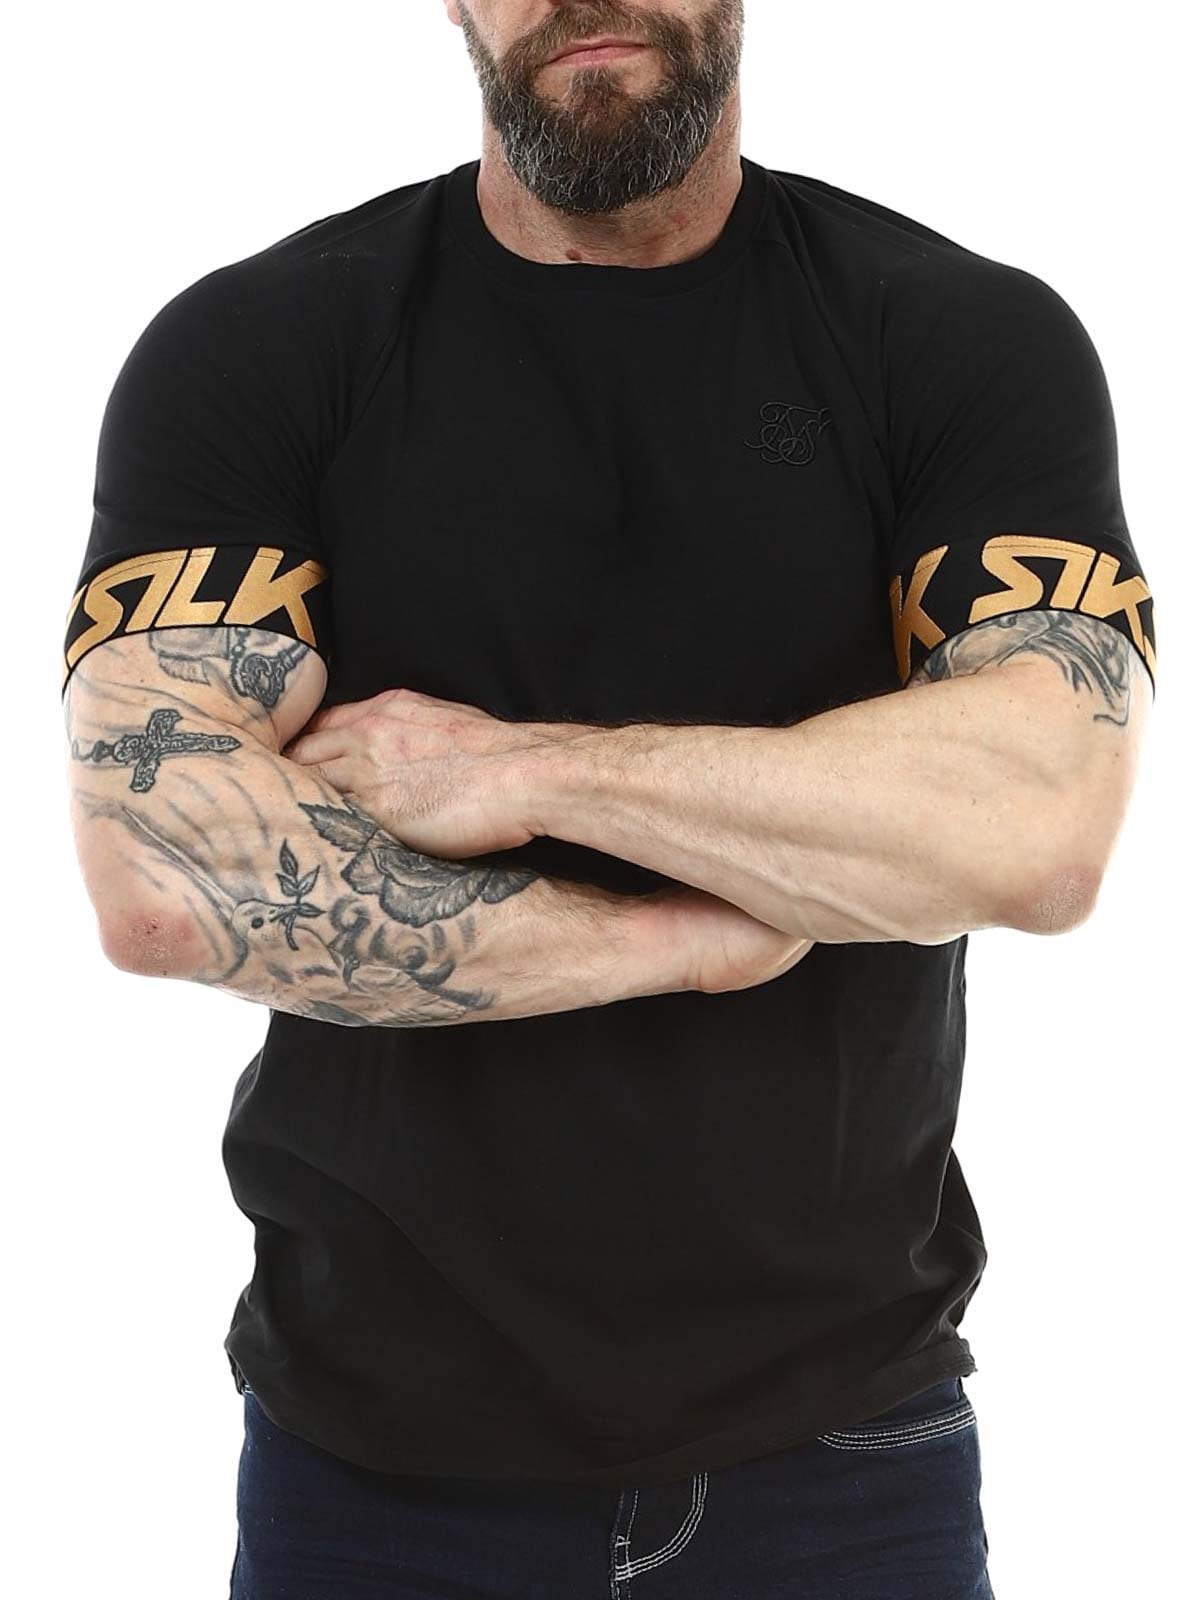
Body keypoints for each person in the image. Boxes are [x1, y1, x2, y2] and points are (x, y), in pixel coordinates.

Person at [62, 2, 1156, 1596]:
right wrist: (677, 943)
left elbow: (1040, 823)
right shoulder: (263, 346)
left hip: (847, 1456)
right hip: (372, 1472)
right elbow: (165, 872)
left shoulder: (952, 334)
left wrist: (517, 771)